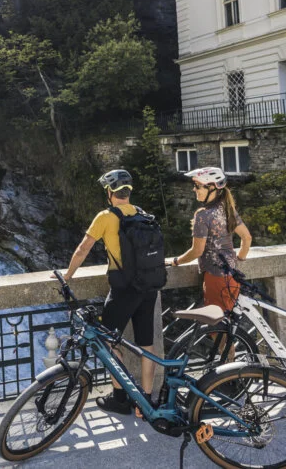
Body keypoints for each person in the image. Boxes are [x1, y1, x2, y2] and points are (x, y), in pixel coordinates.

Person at [60, 169, 161, 416]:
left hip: (124, 289)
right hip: (148, 287)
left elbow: (83, 249)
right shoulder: (140, 214)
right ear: (128, 193)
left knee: (108, 340)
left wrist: (67, 276)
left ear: (109, 192)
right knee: (147, 345)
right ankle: (146, 400)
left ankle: (120, 397)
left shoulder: (105, 217)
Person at [171, 167, 252, 354]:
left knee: (219, 331)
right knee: (226, 327)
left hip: (215, 278)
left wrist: (176, 261)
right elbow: (247, 238)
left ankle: (229, 374)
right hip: (232, 277)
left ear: (212, 188)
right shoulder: (227, 210)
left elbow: (196, 250)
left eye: (197, 186)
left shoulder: (203, 215)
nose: (194, 190)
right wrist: (239, 258)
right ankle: (230, 371)